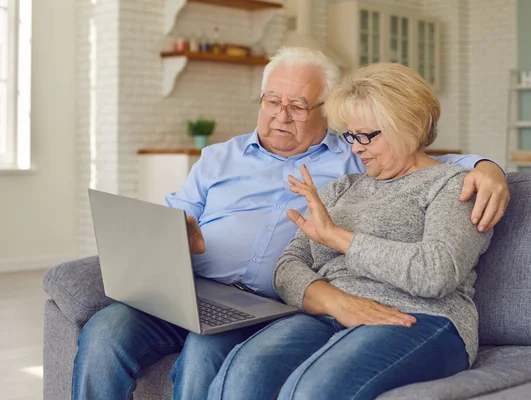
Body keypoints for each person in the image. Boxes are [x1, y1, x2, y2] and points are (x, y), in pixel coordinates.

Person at [72, 48, 508, 400]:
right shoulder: (232, 160)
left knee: (218, 358)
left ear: (325, 113)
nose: (281, 115)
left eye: (298, 105)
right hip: (202, 289)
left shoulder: (349, 161)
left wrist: (488, 166)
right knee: (106, 330)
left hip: (276, 308)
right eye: (272, 101)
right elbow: (290, 261)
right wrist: (172, 236)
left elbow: (427, 176)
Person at [207, 62, 493, 400]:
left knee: (312, 389)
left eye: (366, 136)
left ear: (409, 127)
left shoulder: (453, 185)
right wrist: (336, 302)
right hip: (330, 312)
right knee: (245, 367)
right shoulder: (342, 188)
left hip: (421, 317)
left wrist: (337, 238)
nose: (355, 148)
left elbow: (435, 272)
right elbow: (287, 267)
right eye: (350, 135)